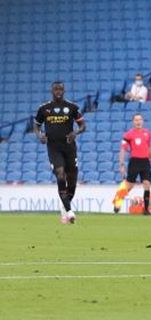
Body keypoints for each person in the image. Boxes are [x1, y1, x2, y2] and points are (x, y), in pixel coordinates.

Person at [33, 81, 86, 224]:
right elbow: (36, 126)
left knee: (72, 182)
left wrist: (76, 132)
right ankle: (69, 212)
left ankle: (64, 207)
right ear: (52, 91)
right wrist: (40, 136)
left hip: (69, 148)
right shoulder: (44, 109)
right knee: (60, 175)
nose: (58, 91)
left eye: (60, 89)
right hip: (54, 148)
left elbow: (83, 125)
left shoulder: (72, 107)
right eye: (56, 89)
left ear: (64, 90)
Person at [112, 113, 151, 215]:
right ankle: (118, 201)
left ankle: (146, 209)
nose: (138, 122)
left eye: (140, 120)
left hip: (145, 162)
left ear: (142, 121)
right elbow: (123, 149)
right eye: (136, 120)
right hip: (134, 162)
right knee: (129, 185)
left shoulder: (147, 133)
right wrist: (121, 164)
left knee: (147, 184)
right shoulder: (128, 134)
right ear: (133, 122)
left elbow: (149, 147)